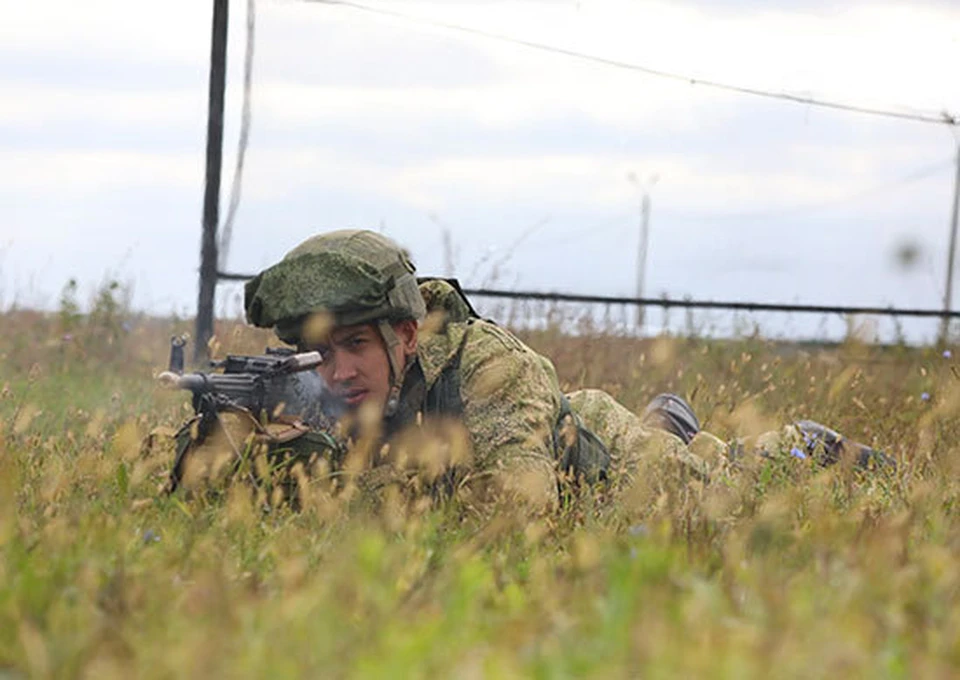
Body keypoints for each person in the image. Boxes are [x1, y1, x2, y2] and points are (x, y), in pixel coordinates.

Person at [234, 229, 889, 512]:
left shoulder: (491, 368)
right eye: (323, 351)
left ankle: (804, 438)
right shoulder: (324, 386)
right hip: (564, 430)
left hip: (626, 473)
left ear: (405, 333)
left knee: (727, 476)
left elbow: (516, 512)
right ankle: (671, 417)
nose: (339, 371)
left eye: (355, 345)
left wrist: (344, 486)